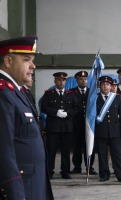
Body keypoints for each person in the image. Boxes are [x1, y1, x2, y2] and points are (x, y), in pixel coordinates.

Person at [0, 36, 54, 199]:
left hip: (31, 183)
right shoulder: (4, 93)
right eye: (26, 59)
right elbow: (4, 150)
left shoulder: (17, 92)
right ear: (8, 61)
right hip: (21, 187)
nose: (33, 65)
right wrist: (14, 193)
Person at [41, 72, 79, 179]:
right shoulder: (49, 93)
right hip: (53, 127)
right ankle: (49, 171)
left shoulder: (71, 94)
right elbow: (44, 107)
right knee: (51, 150)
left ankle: (65, 172)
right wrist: (56, 112)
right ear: (55, 81)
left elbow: (77, 108)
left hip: (67, 127)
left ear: (65, 82)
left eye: (63, 80)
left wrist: (68, 113)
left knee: (66, 151)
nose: (61, 82)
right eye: (58, 80)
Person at [95, 76, 121, 182]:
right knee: (102, 154)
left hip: (115, 131)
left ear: (111, 86)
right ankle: (104, 175)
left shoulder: (117, 98)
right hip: (101, 131)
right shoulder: (95, 99)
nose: (105, 86)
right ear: (100, 86)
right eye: (103, 84)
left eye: (108, 85)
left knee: (117, 154)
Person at [70, 71, 97, 175]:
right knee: (77, 146)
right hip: (76, 124)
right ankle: (77, 167)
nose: (83, 81)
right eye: (81, 79)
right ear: (77, 80)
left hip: (89, 124)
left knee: (89, 145)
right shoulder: (71, 92)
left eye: (85, 79)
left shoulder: (91, 92)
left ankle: (90, 167)